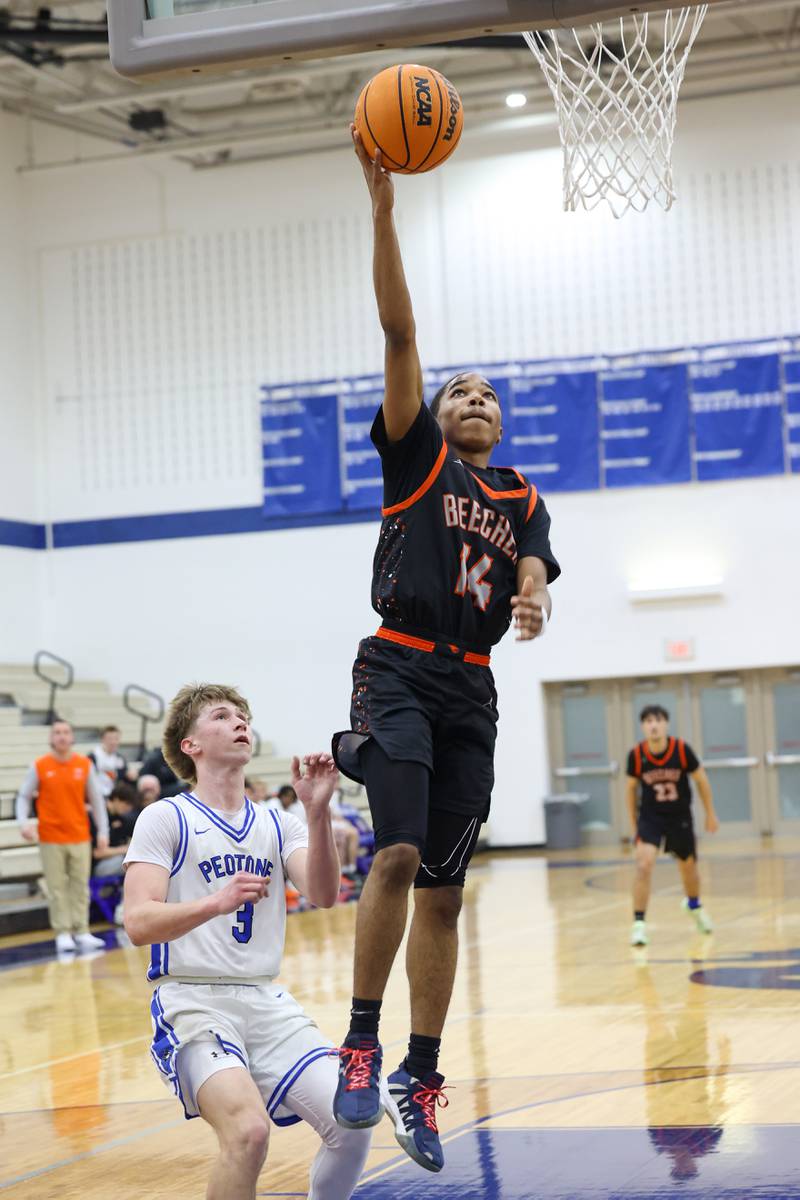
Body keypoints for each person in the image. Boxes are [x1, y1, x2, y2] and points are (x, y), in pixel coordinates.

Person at [330, 128, 561, 1172]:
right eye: (456, 389)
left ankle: (421, 1074)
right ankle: (361, 1042)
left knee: (445, 887)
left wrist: (527, 586)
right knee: (392, 849)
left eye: (484, 395)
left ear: (500, 420)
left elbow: (533, 564)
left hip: (472, 690)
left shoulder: (519, 495)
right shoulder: (416, 456)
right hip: (399, 662)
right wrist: (383, 213)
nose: (469, 400)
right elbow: (397, 326)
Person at [123, 684, 373, 1200]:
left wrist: (318, 811)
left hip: (264, 1000)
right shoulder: (167, 818)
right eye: (222, 716)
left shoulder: (277, 822)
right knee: (248, 1133)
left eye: (243, 716)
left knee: (352, 1121)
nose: (240, 722)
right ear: (190, 745)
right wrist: (213, 903)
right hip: (192, 1001)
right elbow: (138, 922)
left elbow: (324, 893)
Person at [626, 705, 719, 947]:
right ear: (642, 726)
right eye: (647, 721)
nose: (653, 725)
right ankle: (638, 925)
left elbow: (701, 780)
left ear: (666, 724)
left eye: (657, 720)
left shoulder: (681, 750)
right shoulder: (636, 755)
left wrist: (710, 813)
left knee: (688, 869)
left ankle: (694, 906)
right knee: (643, 865)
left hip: (679, 816)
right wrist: (634, 825)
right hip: (651, 817)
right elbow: (629, 789)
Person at [16, 718, 110, 954]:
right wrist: (23, 822)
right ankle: (63, 933)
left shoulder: (84, 764)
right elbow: (24, 796)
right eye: (57, 732)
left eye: (65, 732)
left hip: (80, 835)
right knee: (57, 888)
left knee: (80, 886)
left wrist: (103, 831)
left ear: (72, 737)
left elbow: (97, 800)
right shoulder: (39, 765)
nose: (61, 736)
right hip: (50, 837)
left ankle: (82, 930)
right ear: (51, 738)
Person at [93, 781, 139, 878]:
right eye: (126, 804)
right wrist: (126, 849)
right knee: (131, 861)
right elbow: (97, 853)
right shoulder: (98, 817)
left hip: (111, 861)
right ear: (116, 799)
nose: (128, 809)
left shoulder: (121, 818)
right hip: (95, 866)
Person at [89, 725, 129, 799]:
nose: (113, 742)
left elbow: (122, 777)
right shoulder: (93, 756)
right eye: (110, 739)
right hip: (97, 795)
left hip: (114, 796)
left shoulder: (120, 758)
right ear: (102, 739)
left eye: (116, 739)